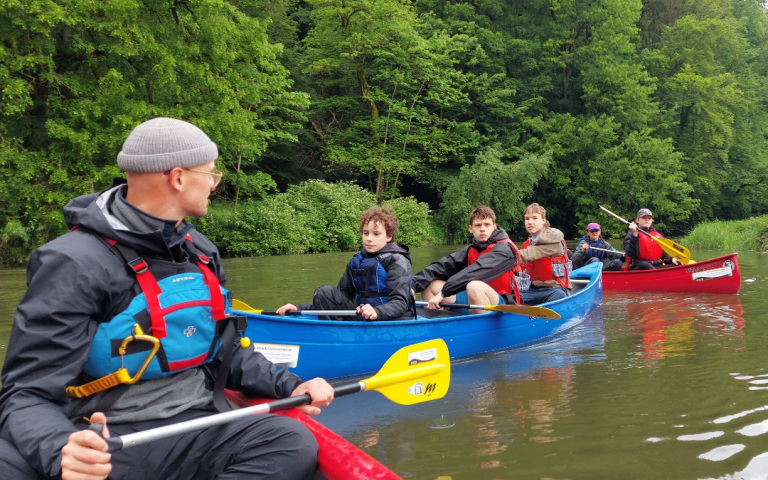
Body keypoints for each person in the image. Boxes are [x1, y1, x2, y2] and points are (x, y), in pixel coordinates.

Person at [0, 117, 335, 480]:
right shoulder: (74, 263)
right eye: (210, 174)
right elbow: (25, 393)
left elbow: (226, 351)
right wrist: (62, 449)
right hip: (106, 439)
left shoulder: (200, 252)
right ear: (178, 178)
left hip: (194, 428)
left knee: (291, 443)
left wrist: (290, 384)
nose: (213, 184)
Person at [276, 206, 414, 321]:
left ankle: (335, 337)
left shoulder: (397, 261)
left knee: (327, 293)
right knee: (325, 292)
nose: (369, 239)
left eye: (376, 234)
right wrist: (299, 308)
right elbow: (336, 300)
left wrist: (378, 311)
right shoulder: (356, 260)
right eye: (366, 233)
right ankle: (332, 335)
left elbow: (401, 302)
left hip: (389, 318)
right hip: (362, 315)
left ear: (389, 236)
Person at [412, 205, 521, 314]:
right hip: (475, 299)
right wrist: (412, 285)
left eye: (487, 224)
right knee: (430, 285)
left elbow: (477, 271)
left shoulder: (506, 250)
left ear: (494, 226)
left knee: (474, 285)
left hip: (503, 302)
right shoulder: (472, 248)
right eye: (478, 225)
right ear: (471, 229)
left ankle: (480, 327)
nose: (482, 229)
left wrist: (443, 293)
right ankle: (442, 323)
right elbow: (442, 266)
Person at [517, 203, 571, 305]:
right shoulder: (527, 244)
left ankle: (540, 315)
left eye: (534, 218)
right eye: (527, 219)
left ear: (543, 220)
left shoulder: (554, 240)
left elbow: (526, 255)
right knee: (510, 297)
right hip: (532, 289)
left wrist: (502, 256)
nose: (530, 222)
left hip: (555, 289)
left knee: (559, 296)